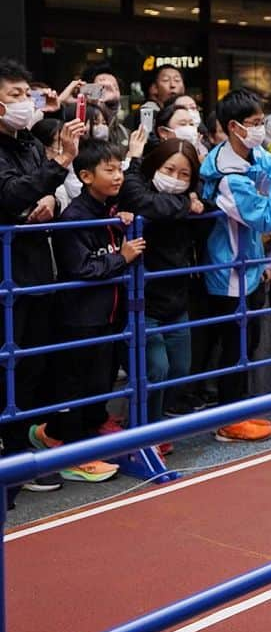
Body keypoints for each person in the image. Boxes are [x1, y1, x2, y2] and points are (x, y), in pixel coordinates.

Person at [29, 139, 147, 482]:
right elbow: (81, 267)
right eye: (108, 170)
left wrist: (122, 225)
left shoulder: (111, 212)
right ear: (85, 176)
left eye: (119, 168)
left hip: (110, 315)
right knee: (75, 384)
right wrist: (121, 257)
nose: (118, 176)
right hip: (79, 317)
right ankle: (71, 450)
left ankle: (66, 436)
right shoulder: (75, 217)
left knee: (101, 381)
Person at [0, 61, 85, 496]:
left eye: (24, 94)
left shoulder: (27, 142)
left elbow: (40, 188)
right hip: (8, 278)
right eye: (14, 95)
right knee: (8, 369)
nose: (23, 102)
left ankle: (22, 454)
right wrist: (56, 167)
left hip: (38, 271)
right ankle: (11, 465)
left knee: (33, 367)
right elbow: (10, 194)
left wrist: (50, 194)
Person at [200, 89, 271, 442]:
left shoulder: (254, 155)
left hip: (250, 267)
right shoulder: (226, 175)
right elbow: (268, 218)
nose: (260, 130)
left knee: (248, 341)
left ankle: (238, 409)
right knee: (233, 345)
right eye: (255, 124)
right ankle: (228, 419)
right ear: (234, 127)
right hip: (229, 272)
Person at [120, 133, 209, 425]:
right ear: (155, 166)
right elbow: (144, 202)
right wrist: (185, 205)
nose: (175, 178)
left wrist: (193, 201)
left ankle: (156, 426)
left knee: (180, 370)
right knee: (155, 369)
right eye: (169, 170)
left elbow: (211, 209)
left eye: (184, 174)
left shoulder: (194, 199)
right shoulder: (140, 192)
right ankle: (145, 430)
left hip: (177, 300)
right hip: (143, 301)